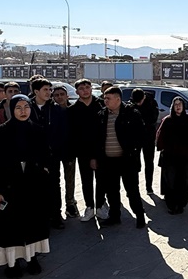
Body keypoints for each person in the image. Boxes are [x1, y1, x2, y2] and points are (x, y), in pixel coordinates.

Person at [0, 95, 52, 278]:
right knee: (10, 228)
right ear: (12, 109)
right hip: (8, 188)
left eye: (26, 107)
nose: (23, 111)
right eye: (18, 108)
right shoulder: (0, 132)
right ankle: (12, 263)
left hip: (32, 188)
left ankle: (32, 258)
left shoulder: (37, 130)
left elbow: (47, 156)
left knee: (33, 225)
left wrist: (43, 171)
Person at [91, 87, 147, 228]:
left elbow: (141, 135)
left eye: (108, 98)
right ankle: (114, 216)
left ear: (118, 99)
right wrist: (94, 158)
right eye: (104, 98)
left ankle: (140, 216)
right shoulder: (101, 115)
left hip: (127, 160)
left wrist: (133, 151)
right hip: (108, 161)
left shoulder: (131, 114)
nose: (105, 101)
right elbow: (96, 139)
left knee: (132, 190)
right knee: (112, 191)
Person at [29, 79, 69, 227]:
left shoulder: (56, 109)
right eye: (45, 89)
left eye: (49, 89)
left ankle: (56, 216)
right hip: (33, 156)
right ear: (36, 91)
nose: (49, 92)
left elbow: (62, 132)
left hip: (52, 155)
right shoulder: (28, 107)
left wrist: (58, 150)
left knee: (54, 185)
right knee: (35, 186)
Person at [68, 79, 108, 222]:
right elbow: (73, 134)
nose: (85, 90)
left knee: (101, 179)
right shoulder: (73, 110)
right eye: (81, 88)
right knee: (86, 180)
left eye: (87, 87)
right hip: (83, 151)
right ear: (77, 91)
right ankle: (89, 207)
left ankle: (100, 206)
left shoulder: (102, 105)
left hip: (101, 149)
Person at [156, 97, 188, 214]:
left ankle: (181, 204)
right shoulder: (168, 120)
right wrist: (162, 148)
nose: (178, 106)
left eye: (180, 104)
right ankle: (171, 205)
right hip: (170, 157)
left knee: (183, 180)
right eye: (176, 104)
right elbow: (160, 137)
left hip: (184, 156)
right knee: (171, 181)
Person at [50, 85, 79, 218]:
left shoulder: (73, 110)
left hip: (70, 151)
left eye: (62, 94)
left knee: (70, 179)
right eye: (56, 95)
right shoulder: (50, 111)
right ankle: (56, 207)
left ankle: (70, 203)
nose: (59, 97)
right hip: (55, 151)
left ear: (67, 96)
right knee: (55, 181)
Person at [129, 88, 159, 194]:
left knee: (149, 162)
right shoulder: (131, 105)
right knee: (135, 163)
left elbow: (153, 119)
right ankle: (134, 186)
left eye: (140, 101)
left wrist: (142, 123)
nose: (138, 104)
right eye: (136, 102)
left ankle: (149, 186)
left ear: (144, 97)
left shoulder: (152, 103)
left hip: (148, 137)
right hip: (135, 139)